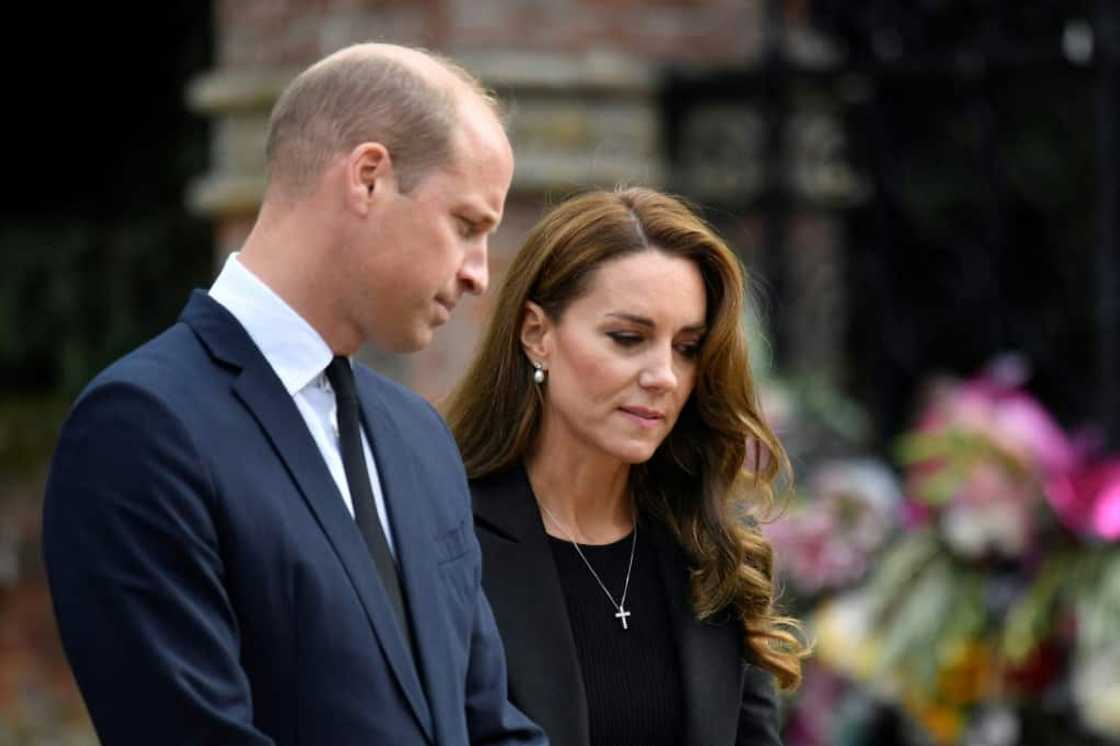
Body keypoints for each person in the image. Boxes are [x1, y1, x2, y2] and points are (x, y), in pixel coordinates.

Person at [42, 43, 546, 746]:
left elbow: (490, 724)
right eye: (466, 226)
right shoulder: (141, 427)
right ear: (369, 178)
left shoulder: (418, 436)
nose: (478, 276)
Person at [444, 187, 807, 746]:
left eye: (687, 347)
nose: (663, 374)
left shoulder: (709, 543)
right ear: (537, 334)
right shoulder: (447, 537)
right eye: (628, 338)